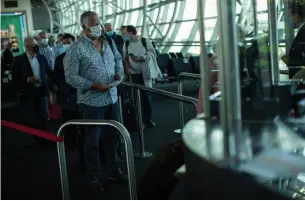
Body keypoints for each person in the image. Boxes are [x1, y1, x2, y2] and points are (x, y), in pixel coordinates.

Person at [64, 11, 126, 193]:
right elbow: (70, 77)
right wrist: (92, 85)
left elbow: (117, 59)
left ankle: (114, 170)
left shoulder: (108, 42)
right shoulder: (76, 49)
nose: (98, 27)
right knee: (92, 142)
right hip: (91, 102)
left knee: (112, 137)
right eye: (93, 24)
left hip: (111, 97)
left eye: (98, 23)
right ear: (83, 27)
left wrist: (119, 72)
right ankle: (92, 177)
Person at [12, 37, 56, 130]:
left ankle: (45, 136)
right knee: (32, 118)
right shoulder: (18, 60)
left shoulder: (41, 58)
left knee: (44, 115)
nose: (36, 48)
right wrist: (28, 79)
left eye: (37, 45)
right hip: (28, 93)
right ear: (27, 46)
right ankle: (35, 139)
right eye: (34, 46)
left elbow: (49, 72)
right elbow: (15, 78)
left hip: (42, 91)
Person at [122, 25, 157, 127]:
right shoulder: (126, 43)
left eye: (124, 33)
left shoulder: (144, 41)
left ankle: (148, 119)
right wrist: (128, 68)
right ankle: (138, 119)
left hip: (145, 73)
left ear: (130, 33)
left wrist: (142, 58)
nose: (123, 35)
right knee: (135, 97)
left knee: (146, 96)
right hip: (133, 74)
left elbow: (153, 53)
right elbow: (125, 58)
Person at [53, 33, 78, 147]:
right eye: (64, 43)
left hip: (81, 94)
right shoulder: (59, 59)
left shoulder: (82, 57)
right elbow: (56, 76)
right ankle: (70, 142)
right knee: (68, 121)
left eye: (68, 42)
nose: (66, 45)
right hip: (67, 95)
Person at [281, 2, 305, 78]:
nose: (290, 19)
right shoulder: (301, 31)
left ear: (296, 16)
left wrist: (291, 61)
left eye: (290, 16)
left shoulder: (303, 32)